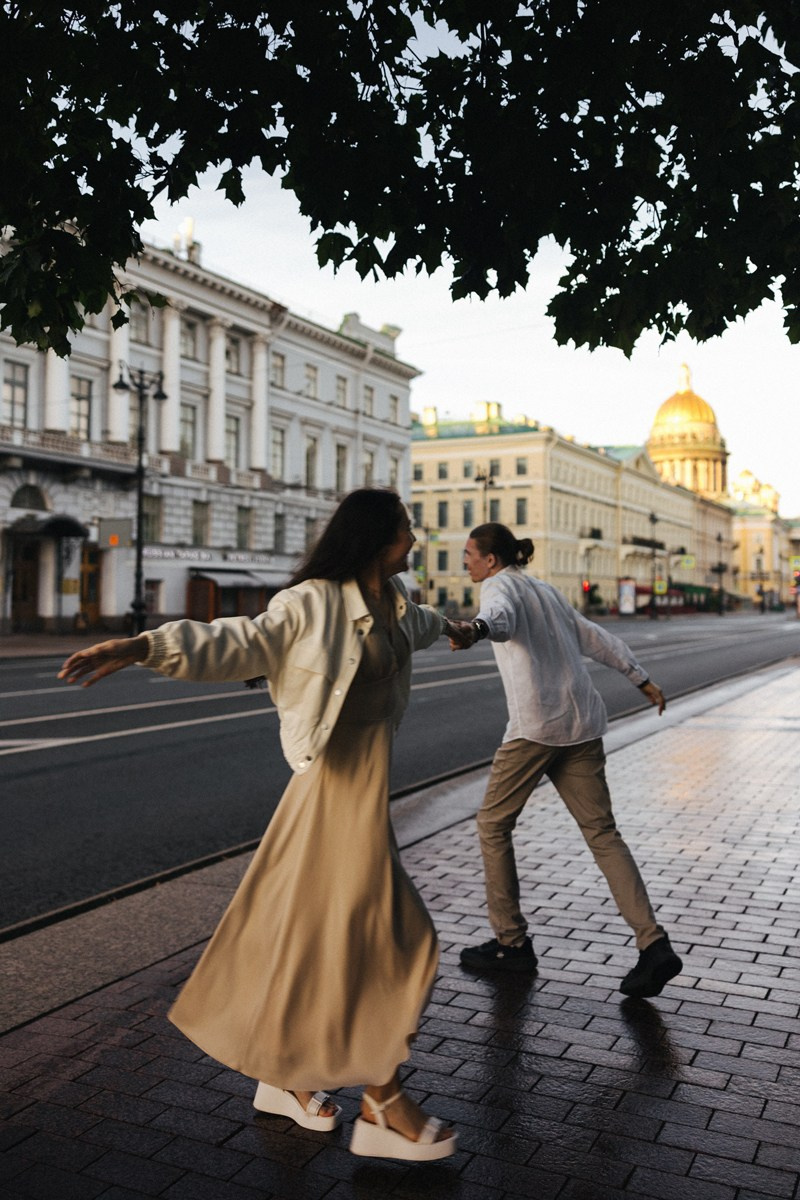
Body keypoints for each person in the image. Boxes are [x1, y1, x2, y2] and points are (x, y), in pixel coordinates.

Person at [59, 489, 461, 1162]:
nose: (414, 539)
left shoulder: (395, 604)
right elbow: (237, 642)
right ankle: (382, 1104)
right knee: (399, 944)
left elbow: (424, 624)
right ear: (374, 538)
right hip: (328, 794)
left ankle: (282, 1076)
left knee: (307, 942)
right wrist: (143, 645)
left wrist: (462, 628)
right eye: (405, 530)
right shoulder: (311, 604)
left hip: (363, 800)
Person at [449, 522, 683, 999]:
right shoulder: (546, 590)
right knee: (603, 834)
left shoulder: (498, 587)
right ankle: (653, 943)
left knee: (492, 825)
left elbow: (499, 619)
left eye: (469, 553)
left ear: (491, 560)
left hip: (537, 727)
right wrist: (640, 678)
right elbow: (594, 637)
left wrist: (474, 629)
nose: (465, 561)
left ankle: (511, 942)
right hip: (582, 723)